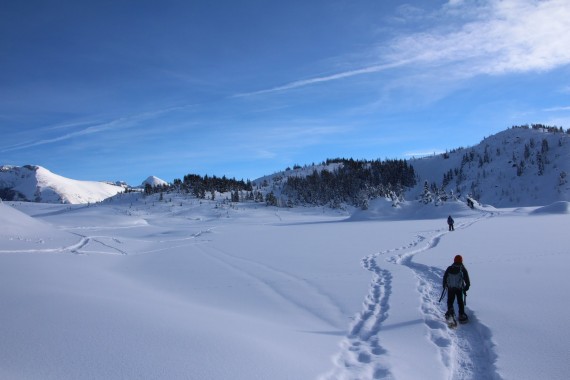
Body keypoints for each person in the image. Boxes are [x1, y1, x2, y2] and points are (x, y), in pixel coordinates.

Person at [443, 254, 470, 322]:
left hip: (451, 288)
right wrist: (466, 287)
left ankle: (450, 312)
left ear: (454, 260)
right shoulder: (462, 269)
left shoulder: (449, 268)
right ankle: (461, 315)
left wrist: (444, 285)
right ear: (461, 261)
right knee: (460, 301)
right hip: (459, 288)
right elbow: (467, 279)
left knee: (450, 301)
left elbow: (445, 277)